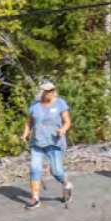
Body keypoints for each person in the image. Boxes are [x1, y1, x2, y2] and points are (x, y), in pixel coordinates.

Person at [21, 81, 73, 210]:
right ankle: (35, 198)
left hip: (54, 142)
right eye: (47, 90)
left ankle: (66, 184)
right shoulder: (35, 105)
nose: (50, 93)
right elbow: (29, 121)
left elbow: (67, 121)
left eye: (52, 90)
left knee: (56, 172)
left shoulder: (60, 103)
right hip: (37, 141)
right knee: (35, 168)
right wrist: (25, 133)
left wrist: (63, 130)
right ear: (42, 91)